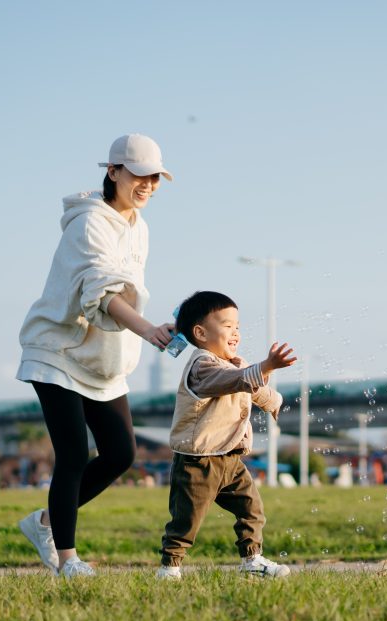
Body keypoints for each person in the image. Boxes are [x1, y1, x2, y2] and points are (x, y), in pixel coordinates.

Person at [15, 134, 176, 578]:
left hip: (101, 359)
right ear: (113, 172)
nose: (147, 185)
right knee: (72, 454)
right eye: (139, 175)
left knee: (121, 453)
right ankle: (67, 559)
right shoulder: (90, 224)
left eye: (155, 178)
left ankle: (46, 522)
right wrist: (147, 330)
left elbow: (126, 291)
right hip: (57, 350)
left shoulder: (139, 226)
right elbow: (101, 294)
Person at [155, 291, 297, 580]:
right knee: (187, 520)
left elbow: (251, 387)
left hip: (230, 459)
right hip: (199, 462)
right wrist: (267, 366)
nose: (235, 332)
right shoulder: (201, 366)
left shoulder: (234, 364)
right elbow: (236, 382)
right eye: (227, 325)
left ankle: (252, 559)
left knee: (251, 507)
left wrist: (274, 402)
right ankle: (170, 567)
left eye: (238, 327)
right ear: (201, 333)